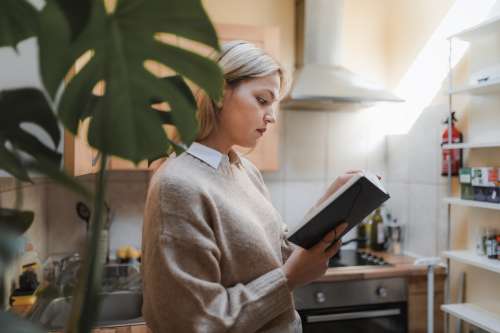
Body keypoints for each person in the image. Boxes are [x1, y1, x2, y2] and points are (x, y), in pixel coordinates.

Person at [141, 40, 357, 333]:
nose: (272, 116)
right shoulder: (177, 185)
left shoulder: (243, 169)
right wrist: (289, 278)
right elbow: (196, 323)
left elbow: (275, 253)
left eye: (274, 104)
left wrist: (329, 204)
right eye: (262, 100)